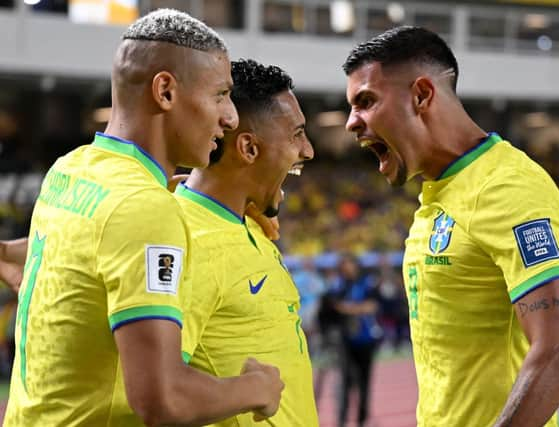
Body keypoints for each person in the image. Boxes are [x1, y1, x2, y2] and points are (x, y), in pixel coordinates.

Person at [4, 10, 283, 427]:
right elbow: (162, 398)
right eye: (220, 95)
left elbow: (85, 257)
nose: (230, 117)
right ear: (166, 91)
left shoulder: (69, 170)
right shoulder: (144, 207)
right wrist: (256, 389)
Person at [342, 26, 559, 427]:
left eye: (366, 101)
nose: (351, 122)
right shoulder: (436, 195)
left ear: (421, 95)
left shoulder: (507, 186)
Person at [176, 59, 318, 426]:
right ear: (249, 149)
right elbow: (156, 394)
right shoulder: (184, 243)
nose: (308, 151)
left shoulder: (252, 225)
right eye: (297, 134)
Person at [328, 254, 382, 427]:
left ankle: (362, 420)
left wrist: (349, 309)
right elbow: (332, 306)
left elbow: (373, 305)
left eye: (349, 264)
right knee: (344, 382)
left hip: (366, 339)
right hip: (345, 341)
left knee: (364, 382)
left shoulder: (368, 282)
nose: (347, 268)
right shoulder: (339, 285)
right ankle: (341, 421)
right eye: (343, 265)